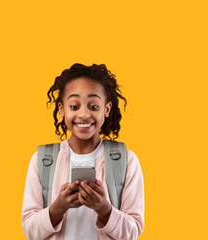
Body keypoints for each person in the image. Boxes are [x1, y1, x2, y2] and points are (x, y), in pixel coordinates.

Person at [21, 63, 144, 240]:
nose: (84, 114)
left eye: (93, 106)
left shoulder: (127, 161)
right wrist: (59, 206)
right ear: (61, 109)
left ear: (106, 109)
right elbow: (30, 230)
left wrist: (104, 208)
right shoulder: (42, 160)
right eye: (74, 106)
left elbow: (133, 232)